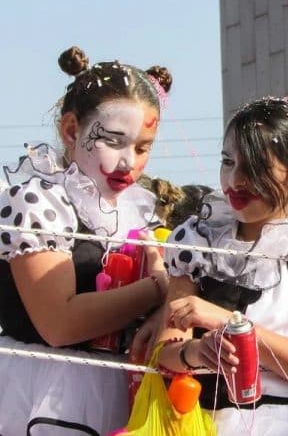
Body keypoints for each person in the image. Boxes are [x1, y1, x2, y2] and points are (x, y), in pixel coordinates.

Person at [155, 96, 288, 435]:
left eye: (255, 167)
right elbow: (166, 351)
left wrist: (227, 322)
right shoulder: (197, 238)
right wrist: (196, 352)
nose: (235, 180)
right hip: (200, 423)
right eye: (228, 162)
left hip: (284, 424)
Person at [0, 46, 172, 435]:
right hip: (44, 392)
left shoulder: (139, 211)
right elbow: (58, 323)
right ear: (72, 130)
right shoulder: (37, 200)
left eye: (143, 148)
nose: (129, 162)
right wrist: (159, 288)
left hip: (118, 391)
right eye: (114, 141)